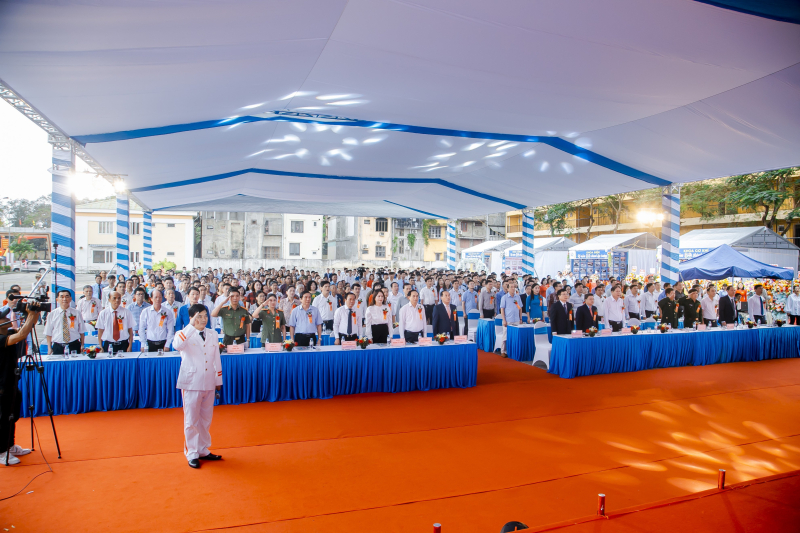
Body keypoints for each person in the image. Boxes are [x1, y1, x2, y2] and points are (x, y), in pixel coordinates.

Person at [172, 304, 223, 469]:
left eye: (205, 316)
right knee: (191, 420)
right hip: (191, 382)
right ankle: (192, 452)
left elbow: (216, 358)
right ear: (192, 318)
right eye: (199, 316)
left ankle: (202, 449)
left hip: (209, 382)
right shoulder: (183, 333)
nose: (203, 319)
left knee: (206, 419)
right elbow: (177, 345)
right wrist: (190, 325)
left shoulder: (213, 334)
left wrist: (218, 380)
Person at [0, 302, 40, 465]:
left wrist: (35, 311)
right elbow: (22, 335)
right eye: (3, 318)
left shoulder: (8, 332)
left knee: (12, 416)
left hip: (12, 382)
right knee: (3, 419)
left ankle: (10, 445)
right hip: (1, 386)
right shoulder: (1, 338)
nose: (7, 318)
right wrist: (30, 314)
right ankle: (1, 451)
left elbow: (28, 328)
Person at [44, 289, 85, 355]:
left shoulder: (77, 313)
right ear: (57, 299)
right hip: (58, 346)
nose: (64, 299)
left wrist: (82, 345)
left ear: (70, 299)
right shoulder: (52, 314)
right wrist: (49, 347)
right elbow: (48, 332)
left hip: (74, 345)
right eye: (62, 297)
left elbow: (81, 331)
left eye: (67, 296)